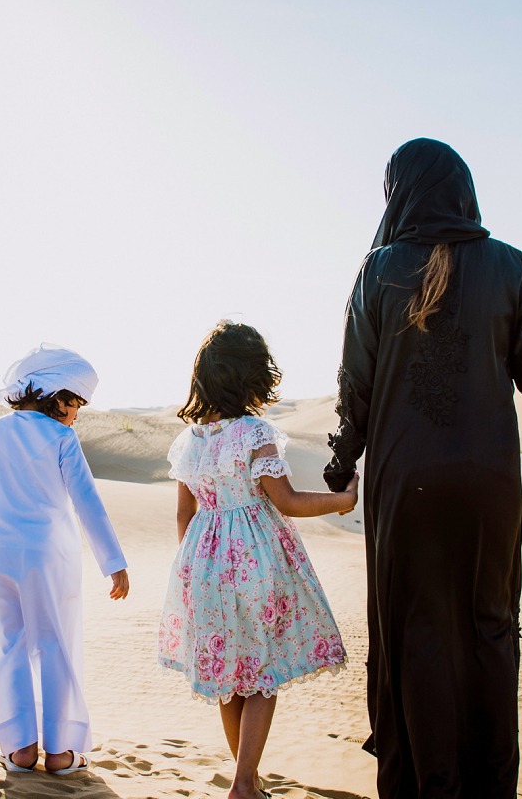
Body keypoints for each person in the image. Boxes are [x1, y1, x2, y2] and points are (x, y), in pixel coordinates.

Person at [324, 138, 522, 798]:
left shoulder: (378, 270)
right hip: (487, 482)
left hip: (404, 483)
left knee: (412, 629)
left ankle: (425, 784)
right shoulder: (513, 268)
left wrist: (341, 466)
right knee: (489, 627)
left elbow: (354, 387)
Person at [159, 322, 358, 799]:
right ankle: (245, 782)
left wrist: (196, 571)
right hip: (256, 565)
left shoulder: (192, 442)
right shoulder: (254, 434)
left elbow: (185, 516)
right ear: (253, 377)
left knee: (230, 676)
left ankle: (245, 779)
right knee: (262, 672)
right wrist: (343, 500)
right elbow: (286, 500)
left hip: (203, 567)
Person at [0, 343, 129, 775]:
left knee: (7, 647)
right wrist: (113, 562)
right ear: (58, 398)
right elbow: (87, 502)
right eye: (76, 402)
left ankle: (20, 749)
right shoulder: (62, 437)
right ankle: (60, 753)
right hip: (51, 559)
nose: (77, 413)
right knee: (54, 644)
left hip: (2, 559)